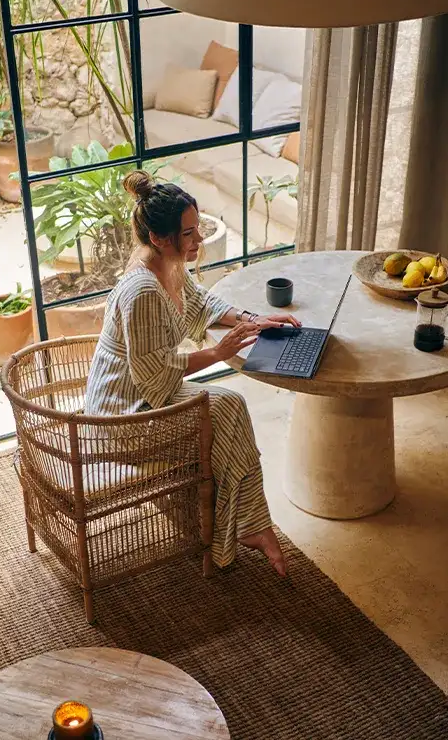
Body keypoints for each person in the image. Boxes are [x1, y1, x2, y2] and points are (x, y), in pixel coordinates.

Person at [85, 170, 301, 576]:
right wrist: (219, 351)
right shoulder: (143, 291)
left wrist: (254, 321)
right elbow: (156, 376)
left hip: (147, 397)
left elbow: (203, 303)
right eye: (189, 234)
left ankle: (247, 525)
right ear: (159, 238)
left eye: (197, 228)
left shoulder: (166, 266)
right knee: (228, 407)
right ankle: (243, 527)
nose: (199, 240)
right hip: (125, 418)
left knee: (229, 409)